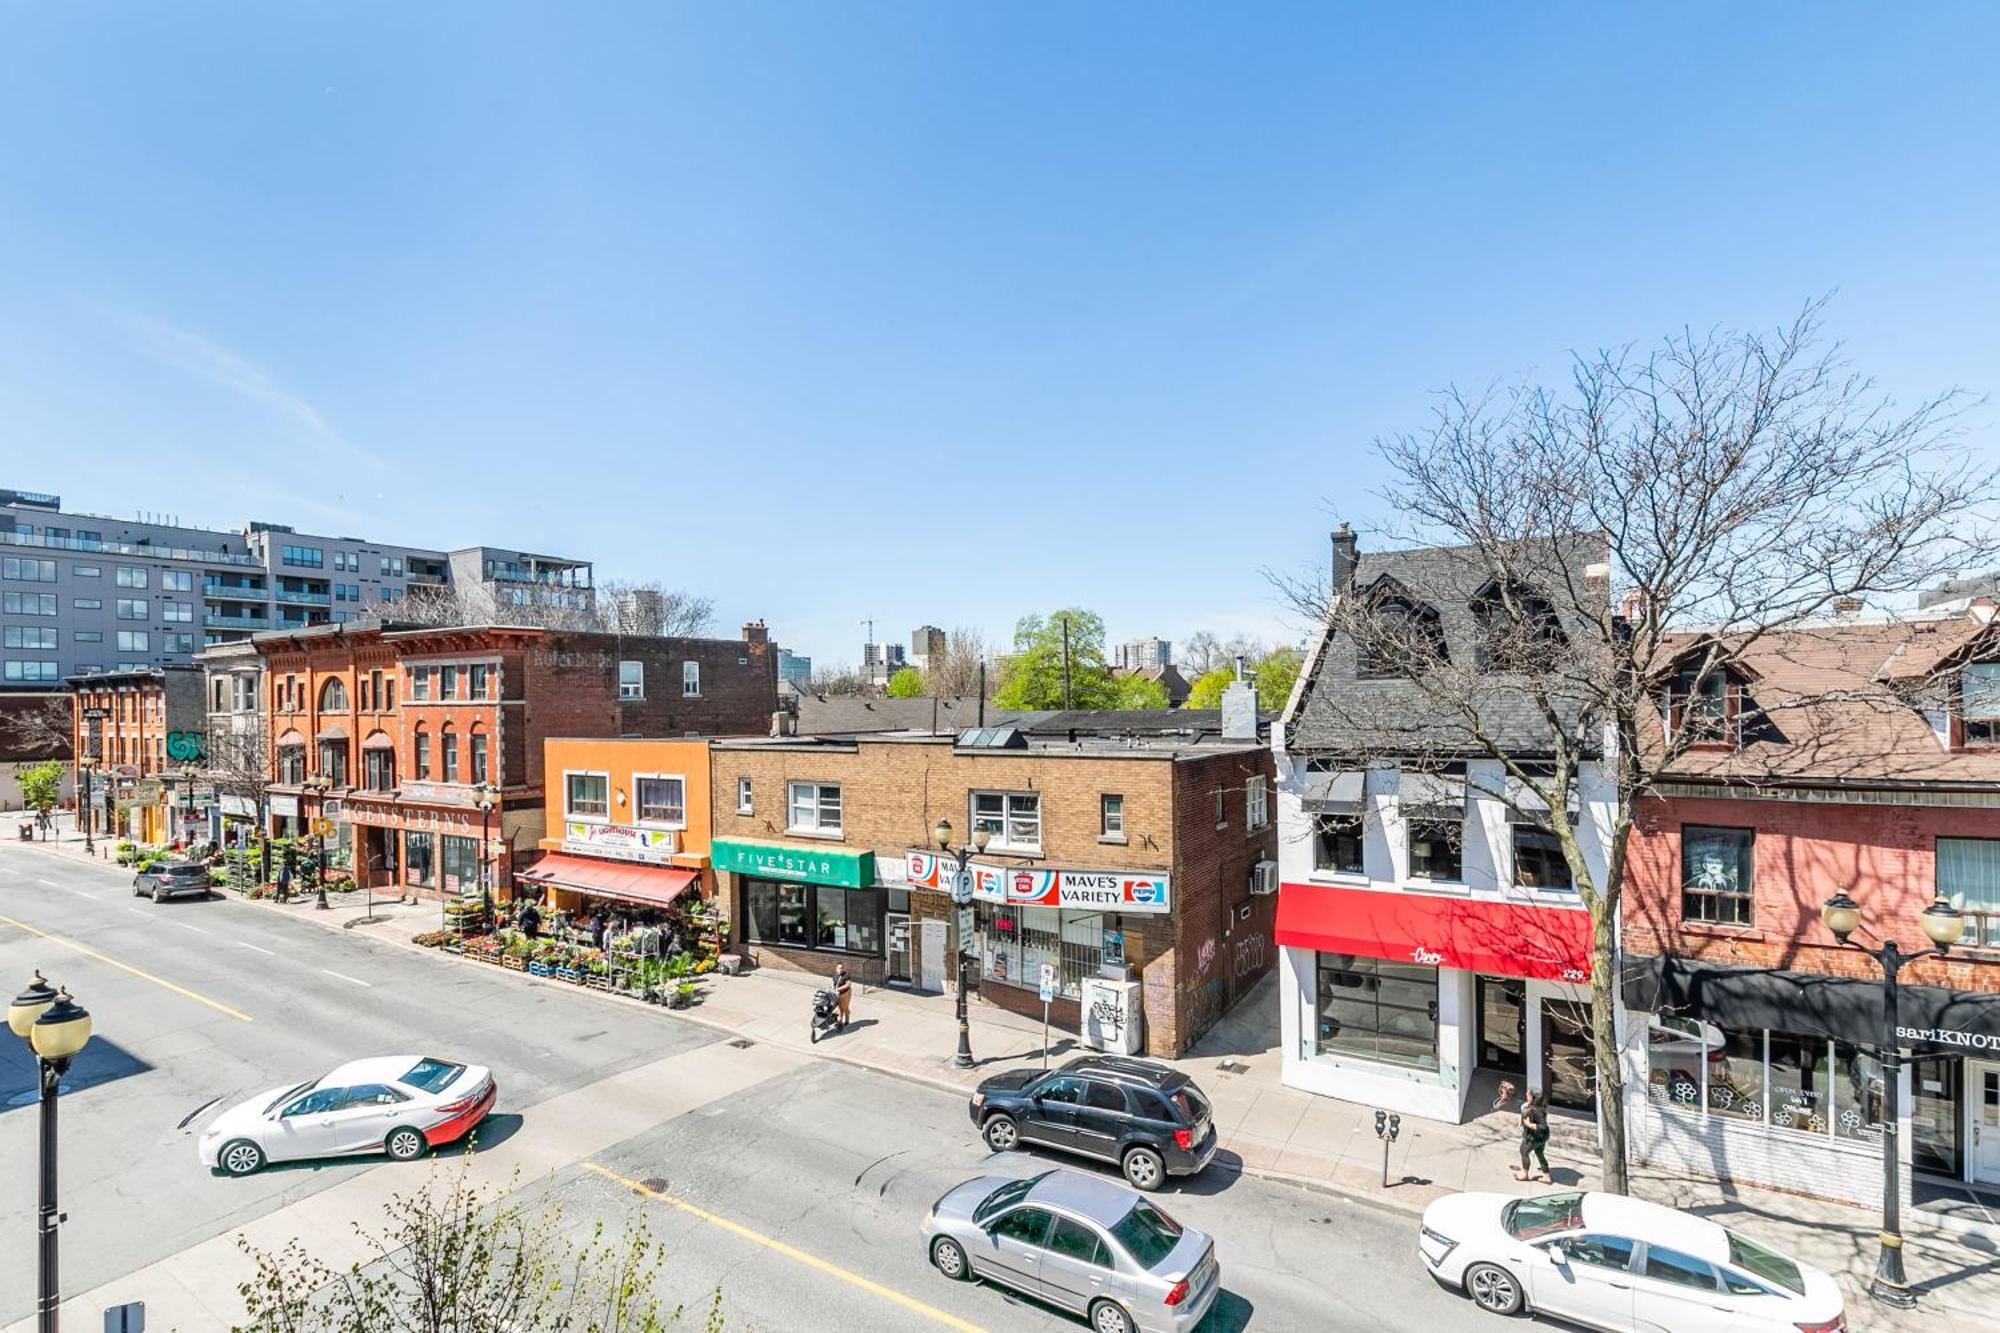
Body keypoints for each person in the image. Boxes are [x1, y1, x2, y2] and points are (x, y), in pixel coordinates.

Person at [1514, 1088, 1553, 1183]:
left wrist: (1528, 1124)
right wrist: (1521, 1120)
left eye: (1528, 1094)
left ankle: (1524, 1174)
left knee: (1524, 1152)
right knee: (1539, 1153)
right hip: (1542, 1137)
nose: (1526, 1094)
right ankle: (1546, 1176)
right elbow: (1524, 1113)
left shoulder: (1536, 1110)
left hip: (1534, 1137)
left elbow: (1543, 1126)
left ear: (1533, 1097)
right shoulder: (1535, 1106)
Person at [832, 963, 853, 1027]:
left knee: (845, 1007)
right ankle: (840, 1021)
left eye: (841, 968)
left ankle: (847, 1021)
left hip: (845, 994)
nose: (840, 969)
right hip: (838, 994)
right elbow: (833, 983)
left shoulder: (846, 975)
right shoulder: (835, 976)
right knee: (840, 1008)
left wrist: (838, 989)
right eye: (839, 968)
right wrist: (833, 989)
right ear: (836, 969)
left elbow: (848, 984)